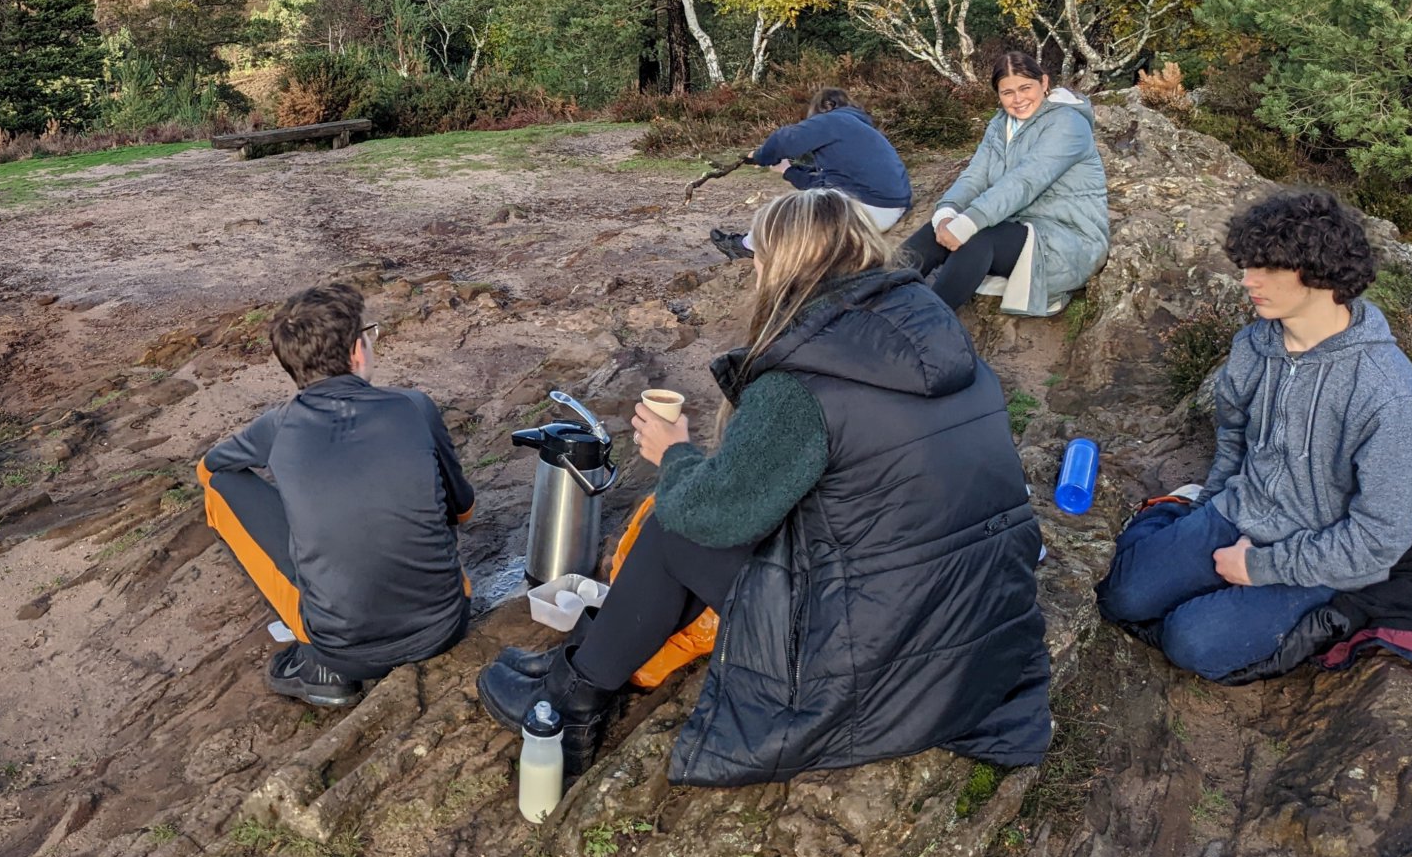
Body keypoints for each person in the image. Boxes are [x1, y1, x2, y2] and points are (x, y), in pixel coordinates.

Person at [476, 189, 1051, 783]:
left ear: (782, 263)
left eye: (757, 258)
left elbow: (715, 516)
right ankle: (579, 668)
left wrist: (673, 452)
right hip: (975, 632)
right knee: (715, 511)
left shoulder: (806, 381)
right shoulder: (937, 340)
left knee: (679, 529)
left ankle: (570, 703)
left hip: (875, 658)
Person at [1095, 190, 1412, 682]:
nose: (1248, 281)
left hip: (1319, 555)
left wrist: (1260, 568)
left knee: (1191, 642)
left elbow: (1379, 538)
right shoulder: (1255, 346)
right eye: (1249, 265)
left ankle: (1321, 618)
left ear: (1322, 273)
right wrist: (1212, 501)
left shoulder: (1391, 396)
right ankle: (1180, 515)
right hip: (1235, 509)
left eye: (1270, 269)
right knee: (1120, 596)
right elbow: (1232, 434)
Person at [198, 282, 475, 709]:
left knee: (219, 487)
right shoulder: (415, 407)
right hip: (446, 626)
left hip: (340, 648)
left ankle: (318, 666)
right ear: (356, 351)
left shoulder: (278, 425)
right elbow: (464, 511)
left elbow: (210, 467)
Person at [900, 50, 1108, 315]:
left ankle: (925, 322)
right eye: (1007, 92)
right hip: (1016, 227)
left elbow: (1026, 181)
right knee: (935, 230)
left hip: (1067, 240)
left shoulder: (1068, 124)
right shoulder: (1000, 124)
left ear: (1044, 83)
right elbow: (976, 175)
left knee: (977, 238)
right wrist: (948, 212)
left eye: (1025, 88)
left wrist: (969, 221)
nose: (1018, 99)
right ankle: (872, 298)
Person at [710, 87, 912, 260]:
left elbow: (785, 139)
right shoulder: (860, 130)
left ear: (827, 106)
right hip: (890, 209)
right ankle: (751, 243)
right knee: (815, 199)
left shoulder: (835, 120)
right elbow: (828, 182)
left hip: (868, 210)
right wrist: (788, 171)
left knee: (790, 208)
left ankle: (748, 246)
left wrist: (761, 156)